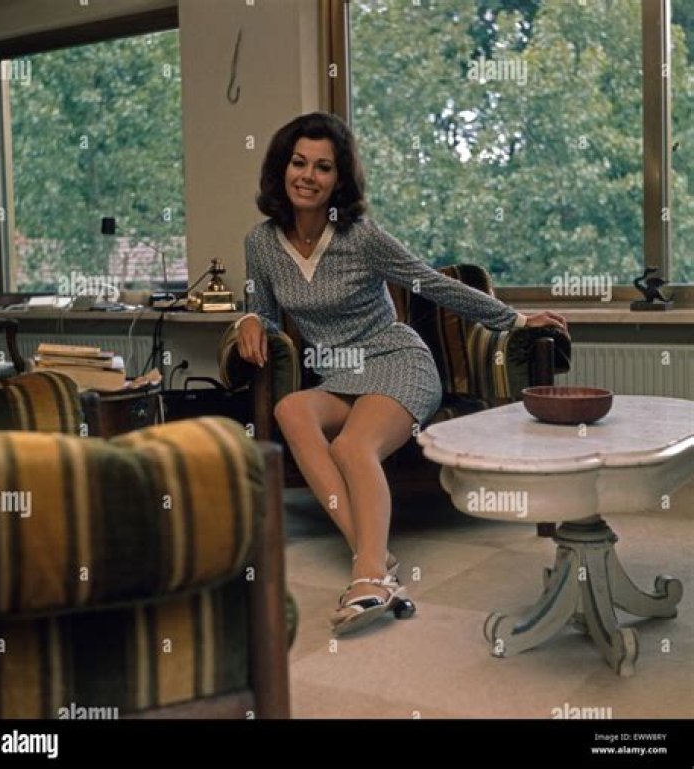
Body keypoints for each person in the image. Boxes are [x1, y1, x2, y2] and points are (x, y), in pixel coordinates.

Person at [236, 112, 568, 636]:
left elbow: (431, 283)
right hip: (338, 373)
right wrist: (250, 320)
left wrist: (516, 320)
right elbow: (264, 310)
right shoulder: (260, 243)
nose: (308, 176)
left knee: (352, 447)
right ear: (282, 168)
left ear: (338, 180)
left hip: (397, 360)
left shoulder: (360, 236)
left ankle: (368, 575)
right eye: (299, 163)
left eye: (323, 167)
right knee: (290, 409)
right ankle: (373, 556)